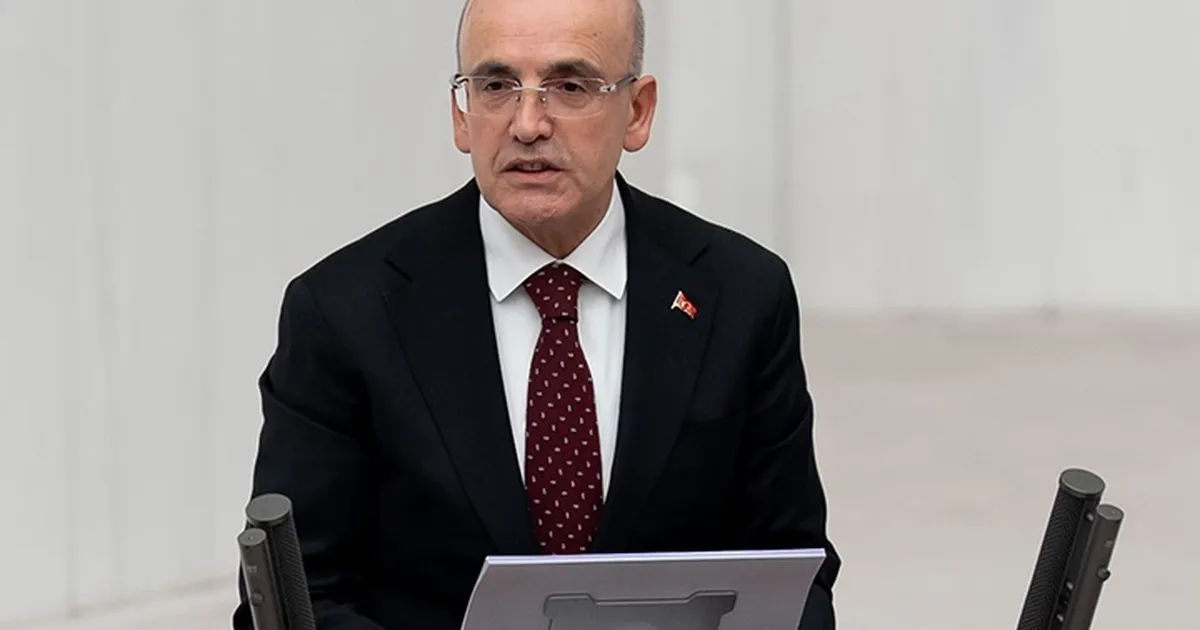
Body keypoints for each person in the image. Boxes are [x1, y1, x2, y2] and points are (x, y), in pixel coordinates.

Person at [232, 0, 840, 627]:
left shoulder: (740, 296)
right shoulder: (344, 313)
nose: (527, 124)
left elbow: (792, 576)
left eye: (569, 87)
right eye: (496, 86)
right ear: (461, 114)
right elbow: (296, 599)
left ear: (637, 111)